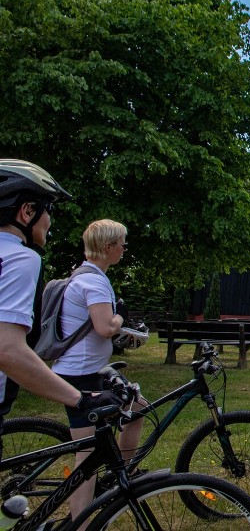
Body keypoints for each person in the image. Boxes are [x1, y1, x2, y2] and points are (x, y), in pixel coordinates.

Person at [0, 160, 122, 459]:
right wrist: (79, 399)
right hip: (79, 374)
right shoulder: (18, 258)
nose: (49, 222)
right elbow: (7, 349)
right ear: (27, 211)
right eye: (48, 211)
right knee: (88, 453)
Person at [51, 219, 145, 523]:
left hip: (88, 369)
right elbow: (105, 327)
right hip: (79, 376)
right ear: (108, 247)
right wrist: (119, 317)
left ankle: (121, 477)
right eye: (121, 243)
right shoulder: (93, 281)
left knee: (138, 409)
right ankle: (81, 522)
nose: (124, 248)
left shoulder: (86, 275)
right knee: (87, 457)